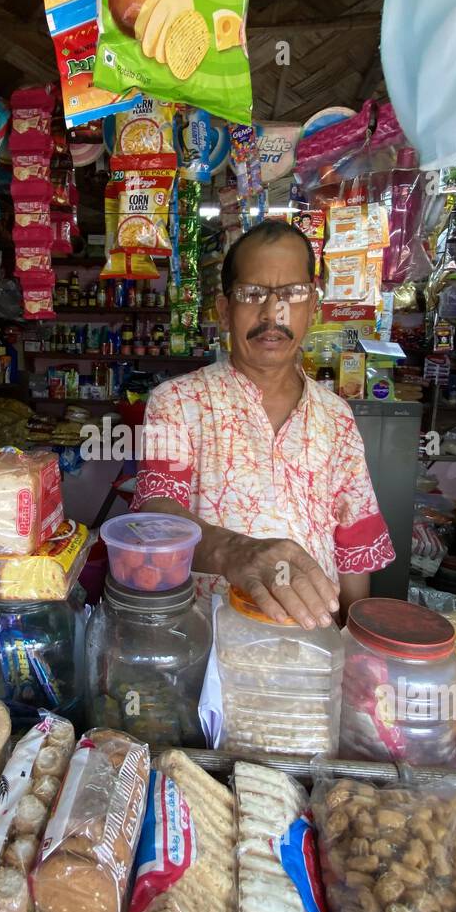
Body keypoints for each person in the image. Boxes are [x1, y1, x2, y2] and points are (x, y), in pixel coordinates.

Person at [132, 219, 394, 630]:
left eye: (292, 294)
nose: (273, 314)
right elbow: (156, 514)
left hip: (311, 642)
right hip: (207, 638)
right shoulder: (177, 402)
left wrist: (351, 645)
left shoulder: (337, 416)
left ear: (313, 307)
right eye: (252, 294)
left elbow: (353, 545)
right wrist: (235, 551)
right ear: (224, 310)